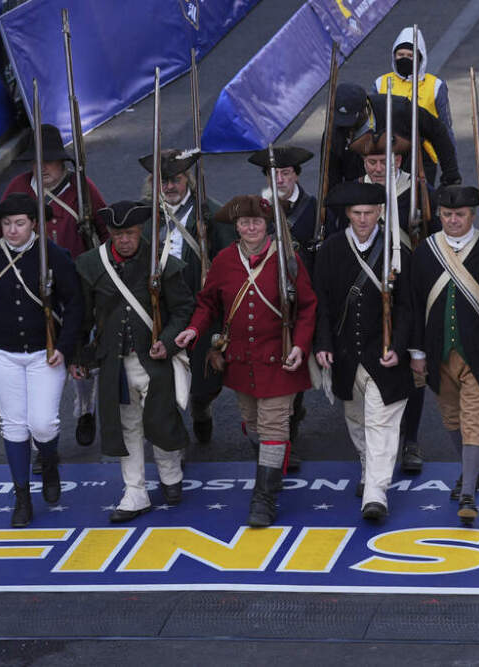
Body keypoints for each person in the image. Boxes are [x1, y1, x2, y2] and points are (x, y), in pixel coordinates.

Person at [175, 195, 317, 528]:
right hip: (240, 360)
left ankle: (263, 499)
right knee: (252, 424)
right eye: (243, 223)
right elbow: (207, 302)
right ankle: (273, 463)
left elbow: (308, 307)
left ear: (268, 225)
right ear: (236, 227)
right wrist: (193, 329)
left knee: (273, 426)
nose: (250, 228)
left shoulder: (288, 260)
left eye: (256, 222)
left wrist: (300, 344)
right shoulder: (225, 260)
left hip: (279, 358)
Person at [0, 193, 83, 527]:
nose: (12, 231)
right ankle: (22, 497)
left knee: (43, 423)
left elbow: (74, 305)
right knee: (13, 424)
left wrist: (67, 347)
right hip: (3, 353)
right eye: (6, 224)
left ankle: (50, 461)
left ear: (33, 224)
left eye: (19, 223)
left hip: (46, 353)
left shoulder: (54, 256)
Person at [0, 124, 109, 450]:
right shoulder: (17, 188)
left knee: (80, 358)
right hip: (28, 292)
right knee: (36, 366)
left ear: (63, 163)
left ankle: (86, 408)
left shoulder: (82, 188)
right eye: (37, 160)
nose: (42, 167)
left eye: (50, 160)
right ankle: (42, 441)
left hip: (76, 288)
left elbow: (106, 232)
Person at [71, 201, 193, 523]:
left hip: (153, 360)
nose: (123, 239)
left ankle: (170, 475)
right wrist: (80, 355)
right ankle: (135, 490)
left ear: (140, 232)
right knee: (128, 427)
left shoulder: (163, 263)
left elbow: (183, 310)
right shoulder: (90, 265)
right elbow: (83, 317)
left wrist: (166, 343)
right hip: (115, 363)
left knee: (160, 420)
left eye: (130, 233)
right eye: (117, 233)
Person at [409, 186, 479, 524]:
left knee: (474, 421)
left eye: (461, 214)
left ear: (473, 215)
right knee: (452, 419)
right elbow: (413, 304)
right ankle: (471, 470)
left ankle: (468, 490)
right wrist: (418, 352)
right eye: (448, 214)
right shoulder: (424, 253)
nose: (454, 220)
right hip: (439, 353)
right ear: (439, 214)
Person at [313, 182, 413, 520]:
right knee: (357, 420)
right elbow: (322, 303)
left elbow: (406, 307)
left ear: (380, 212)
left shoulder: (396, 251)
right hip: (345, 355)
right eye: (356, 213)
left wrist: (398, 347)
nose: (363, 219)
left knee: (381, 424)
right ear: (347, 214)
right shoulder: (330, 249)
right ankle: (369, 469)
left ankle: (375, 493)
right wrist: (323, 344)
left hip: (383, 355)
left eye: (369, 213)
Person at [348, 131, 436, 473]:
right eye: (371, 162)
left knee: (412, 362)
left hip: (409, 288)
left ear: (399, 160)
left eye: (385, 161)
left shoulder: (417, 190)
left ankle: (410, 440)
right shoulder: (353, 193)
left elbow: (432, 238)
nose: (378, 168)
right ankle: (373, 447)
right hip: (365, 288)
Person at [139, 148, 236, 445]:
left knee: (206, 376)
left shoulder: (212, 213)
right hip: (161, 307)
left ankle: (201, 407)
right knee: (163, 375)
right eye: (164, 180)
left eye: (176, 179)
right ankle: (173, 441)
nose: (170, 186)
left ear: (188, 180)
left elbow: (230, 260)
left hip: (201, 304)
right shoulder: (144, 217)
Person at [248, 145, 318, 458]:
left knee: (296, 359)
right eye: (274, 173)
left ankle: (290, 424)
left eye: (286, 173)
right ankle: (273, 431)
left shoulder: (314, 208)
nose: (280, 179)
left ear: (296, 176)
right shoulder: (256, 210)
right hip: (267, 298)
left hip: (302, 296)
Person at [325, 83, 461, 193]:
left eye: (352, 121)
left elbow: (438, 132)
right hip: (361, 192)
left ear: (365, 108)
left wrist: (451, 177)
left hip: (406, 184)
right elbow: (331, 177)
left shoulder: (399, 109)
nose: (347, 127)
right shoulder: (334, 130)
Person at [373, 25, 456, 186]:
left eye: (410, 56)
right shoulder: (380, 82)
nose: (404, 58)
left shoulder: (436, 85)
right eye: (400, 54)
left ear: (420, 57)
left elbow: (445, 127)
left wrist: (451, 167)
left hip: (424, 155)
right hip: (388, 153)